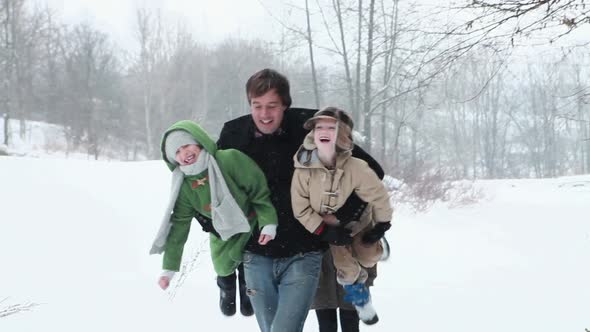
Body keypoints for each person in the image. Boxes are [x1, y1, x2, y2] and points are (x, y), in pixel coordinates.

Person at [217, 68, 383, 332]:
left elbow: (371, 170)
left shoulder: (309, 127)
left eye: (272, 105)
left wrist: (344, 216)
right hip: (256, 252)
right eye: (256, 106)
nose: (264, 114)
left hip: (304, 250)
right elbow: (214, 188)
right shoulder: (233, 135)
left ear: (285, 104)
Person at [149, 120, 278, 317]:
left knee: (248, 266)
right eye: (177, 152)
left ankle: (247, 290)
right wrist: (169, 268)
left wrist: (268, 221)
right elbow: (179, 227)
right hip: (221, 231)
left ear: (199, 142)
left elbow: (258, 191)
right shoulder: (184, 186)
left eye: (186, 145)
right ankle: (226, 288)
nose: (184, 153)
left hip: (248, 224)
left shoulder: (229, 160)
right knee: (223, 267)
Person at [291, 107, 393, 325]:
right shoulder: (304, 164)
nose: (325, 132)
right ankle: (359, 294)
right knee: (339, 282)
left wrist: (381, 225)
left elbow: (378, 192)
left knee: (364, 258)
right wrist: (324, 230)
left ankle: (375, 252)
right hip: (320, 231)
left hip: (356, 223)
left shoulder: (356, 164)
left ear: (343, 134)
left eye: (332, 128)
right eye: (320, 127)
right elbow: (299, 206)